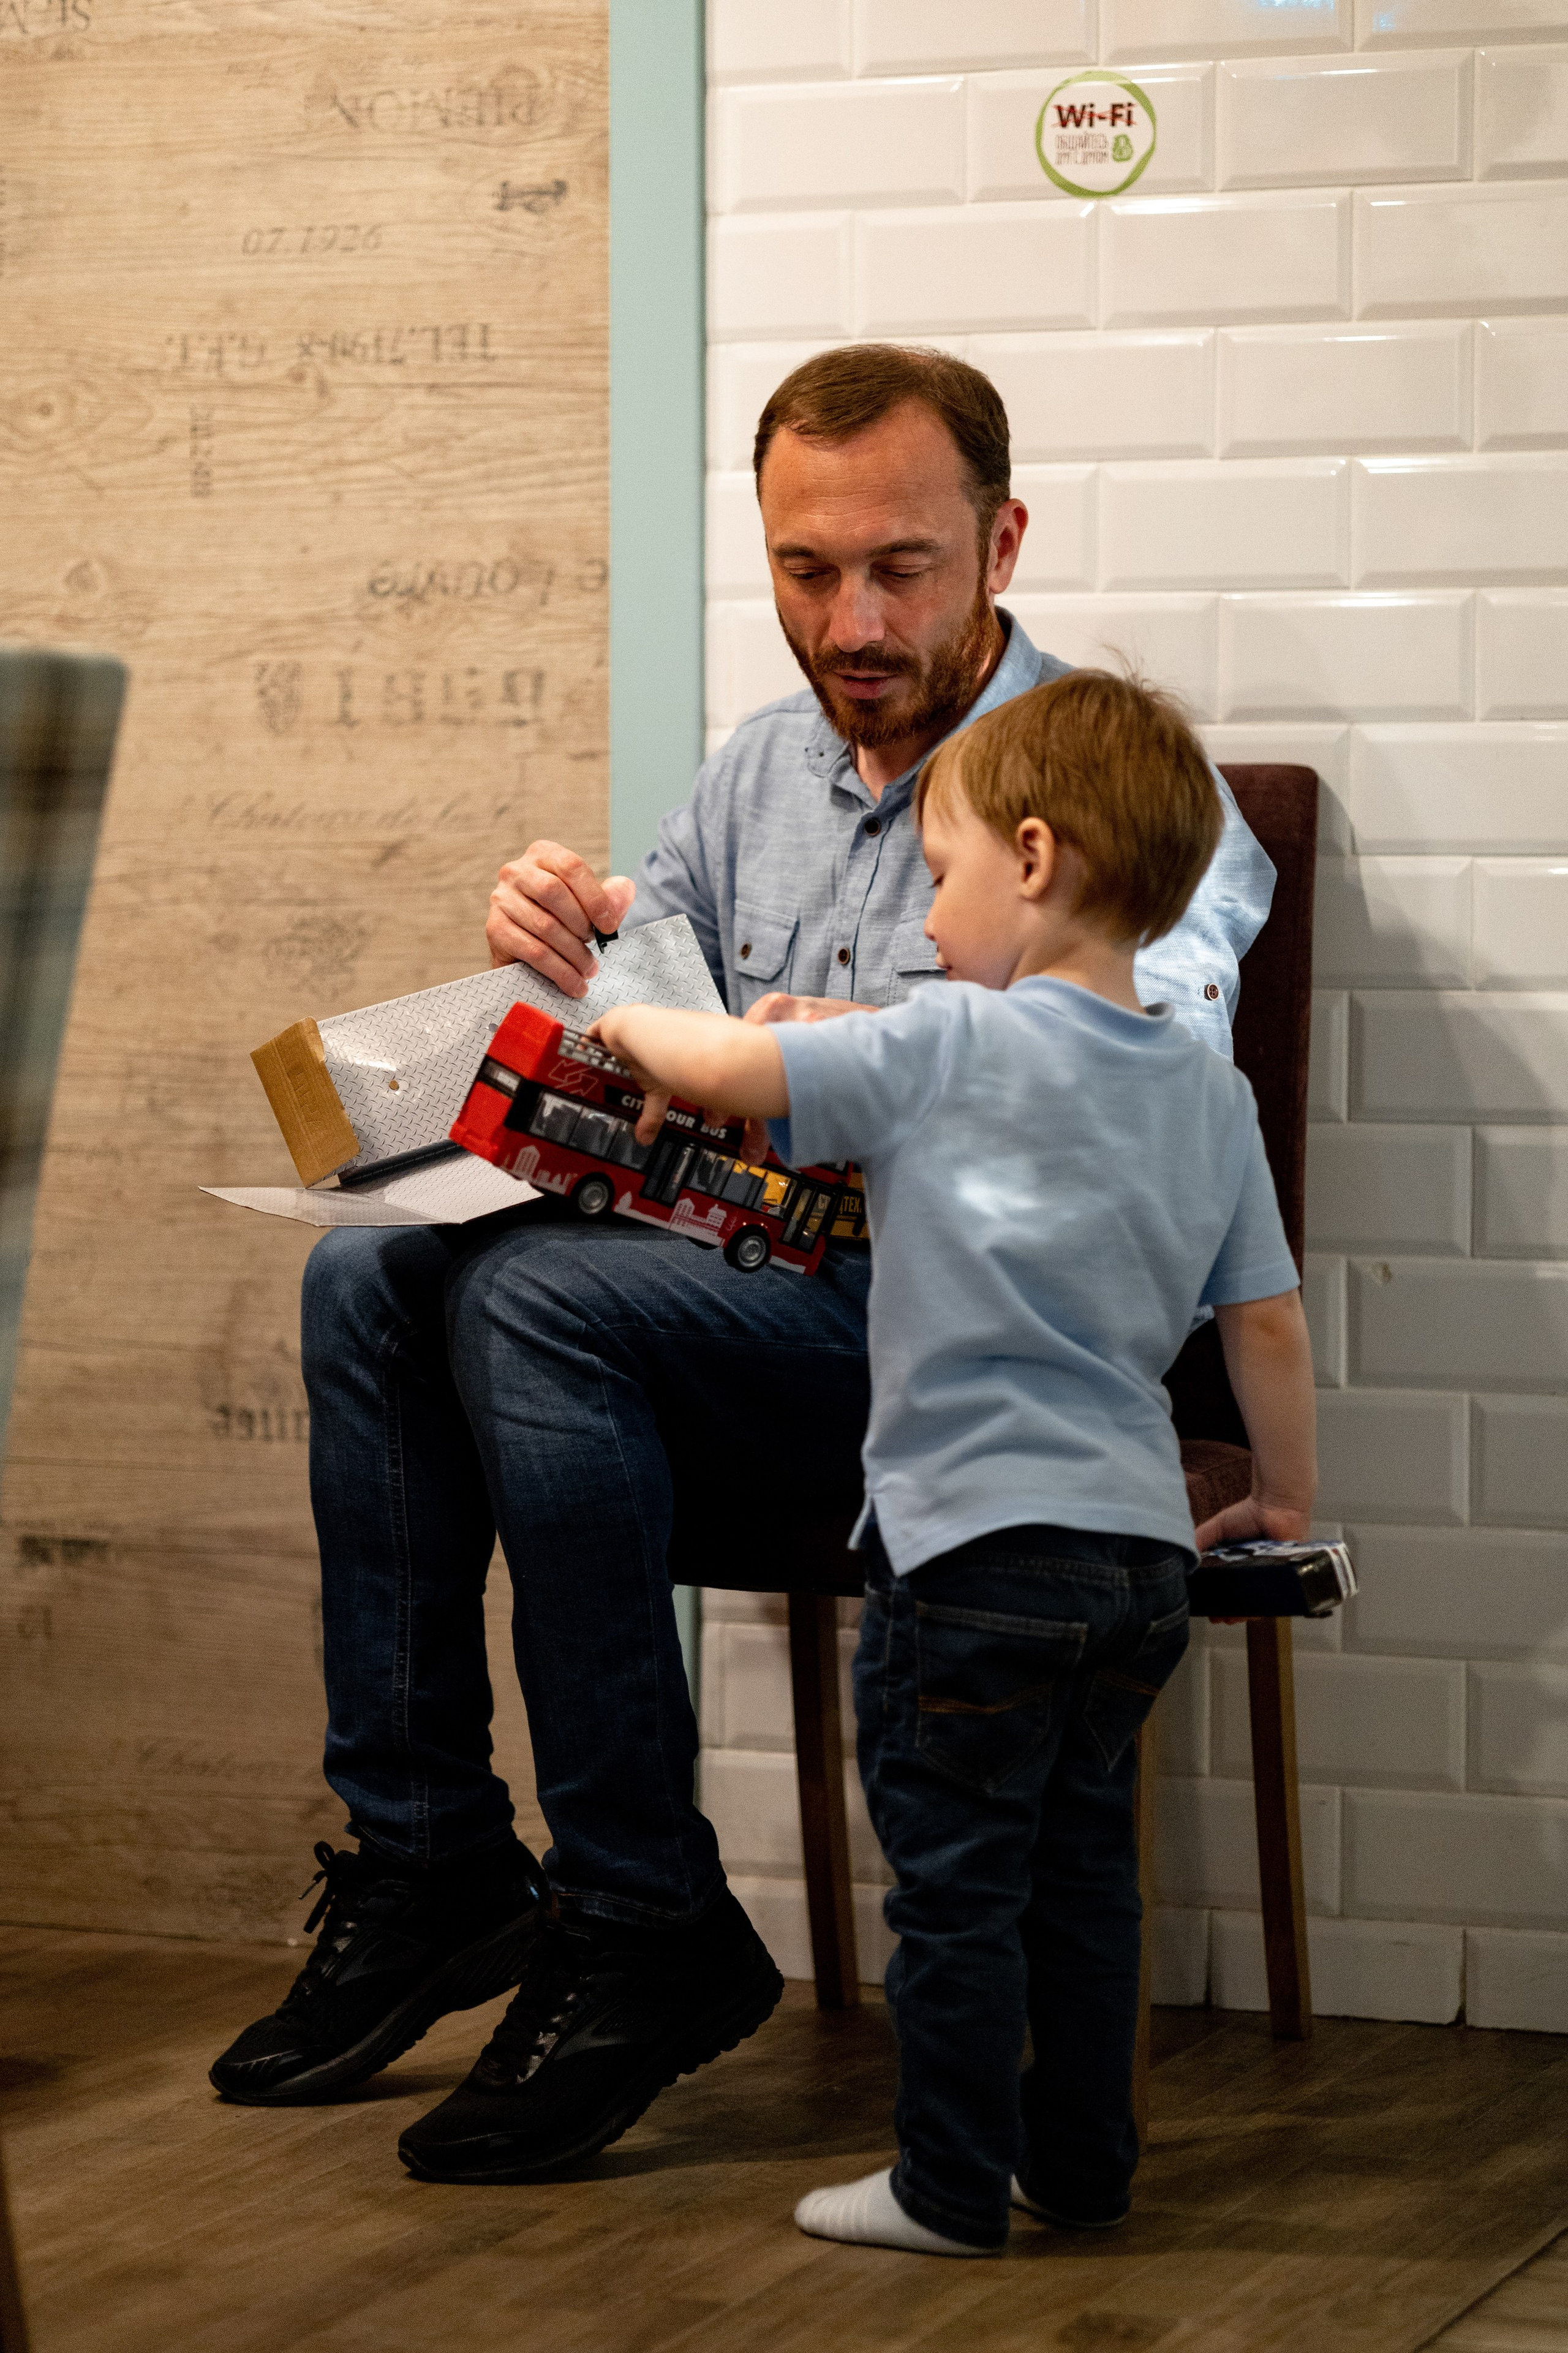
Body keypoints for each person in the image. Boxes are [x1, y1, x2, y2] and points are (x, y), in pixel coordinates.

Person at [208, 346, 1277, 2185]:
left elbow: (1139, 1085)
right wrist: (590, 939)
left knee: (534, 1301)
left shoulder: (1114, 791)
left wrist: (850, 1048)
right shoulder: (762, 764)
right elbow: (658, 972)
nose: (852, 621)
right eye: (805, 569)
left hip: (966, 1357)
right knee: (368, 1283)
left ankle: (637, 1915)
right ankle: (434, 1854)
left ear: (1002, 540)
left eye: (903, 568)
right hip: (749, 1308)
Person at [592, 670, 1316, 2254]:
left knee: (958, 1882)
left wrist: (622, 999)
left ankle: (944, 2183)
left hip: (966, 1552)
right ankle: (1083, 2165)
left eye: (941, 878)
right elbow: (1264, 1320)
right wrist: (1283, 1503)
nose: (925, 923)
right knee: (1081, 1882)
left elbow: (716, 1078)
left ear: (1037, 860)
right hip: (1134, 1560)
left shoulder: (941, 1043)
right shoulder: (1209, 1088)